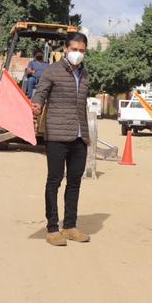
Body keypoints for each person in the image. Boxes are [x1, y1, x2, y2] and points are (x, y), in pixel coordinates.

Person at [31, 32, 91, 246]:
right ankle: (52, 228)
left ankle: (70, 226)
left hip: (79, 136)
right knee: (54, 181)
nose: (78, 53)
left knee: (74, 182)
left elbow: (82, 105)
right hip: (57, 135)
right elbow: (40, 93)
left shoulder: (85, 74)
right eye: (74, 49)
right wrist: (37, 105)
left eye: (82, 50)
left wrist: (86, 135)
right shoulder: (52, 71)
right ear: (65, 49)